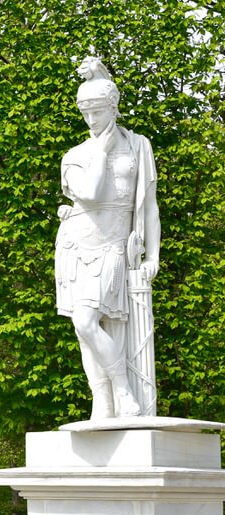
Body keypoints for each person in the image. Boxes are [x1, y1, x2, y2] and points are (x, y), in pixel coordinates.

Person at [55, 56, 160, 419]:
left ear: (112, 108)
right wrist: (101, 148)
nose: (90, 120)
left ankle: (121, 389)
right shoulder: (75, 155)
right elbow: (91, 192)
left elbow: (148, 208)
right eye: (86, 113)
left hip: (114, 245)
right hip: (75, 245)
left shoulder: (138, 147)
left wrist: (153, 257)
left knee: (91, 321)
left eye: (97, 112)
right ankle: (105, 396)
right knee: (83, 327)